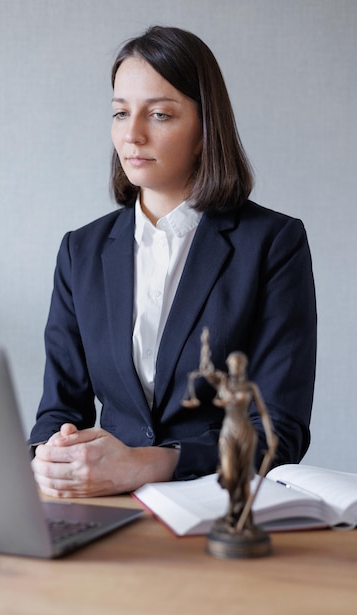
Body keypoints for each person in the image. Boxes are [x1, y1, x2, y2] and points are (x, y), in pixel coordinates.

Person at [29, 25, 317, 498]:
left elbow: (278, 432)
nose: (133, 134)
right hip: (106, 505)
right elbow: (59, 411)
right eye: (121, 113)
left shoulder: (273, 242)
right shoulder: (80, 250)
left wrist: (146, 465)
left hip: (219, 504)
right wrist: (51, 455)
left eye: (159, 114)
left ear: (207, 129)